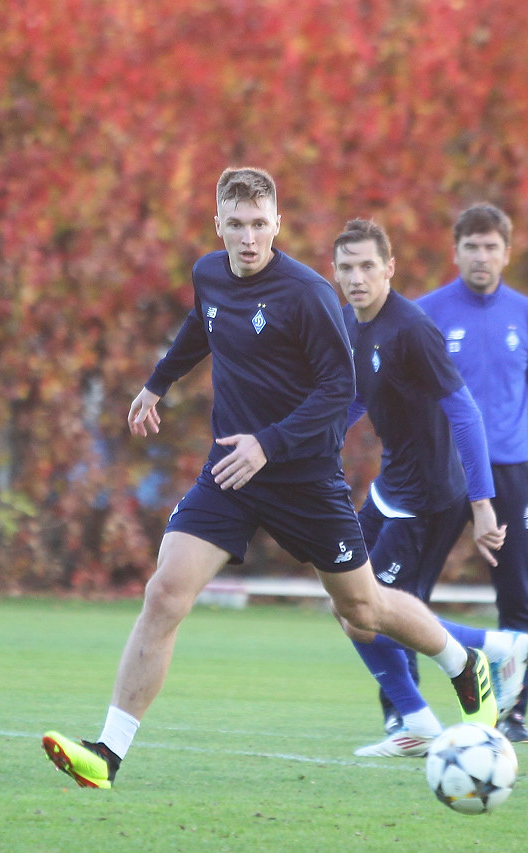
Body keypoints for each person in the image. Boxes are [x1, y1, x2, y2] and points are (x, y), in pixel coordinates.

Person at [41, 167, 498, 789]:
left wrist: (271, 443)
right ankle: (107, 755)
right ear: (218, 226)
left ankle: (461, 660)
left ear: (277, 224)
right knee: (165, 592)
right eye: (237, 225)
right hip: (231, 468)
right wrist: (157, 383)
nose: (249, 238)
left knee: (361, 611)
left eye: (260, 225)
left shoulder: (307, 295)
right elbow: (201, 326)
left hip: (304, 476)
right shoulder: (208, 274)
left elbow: (340, 390)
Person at [331, 219, 528, 758]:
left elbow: (465, 414)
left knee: (377, 611)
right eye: (346, 267)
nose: (357, 277)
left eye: (367, 266)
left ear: (389, 269)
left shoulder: (411, 328)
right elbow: (360, 398)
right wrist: (319, 441)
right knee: (348, 605)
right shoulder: (354, 324)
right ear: (335, 271)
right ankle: (426, 712)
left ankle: (492, 653)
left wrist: (483, 505)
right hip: (390, 487)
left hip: (429, 498)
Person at [416, 203, 528, 744]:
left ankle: (513, 713)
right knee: (403, 592)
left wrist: (502, 437)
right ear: (456, 252)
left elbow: (526, 385)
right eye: (471, 245)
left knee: (517, 592)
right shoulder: (428, 312)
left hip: (510, 471)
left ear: (507, 253)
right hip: (445, 472)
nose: (481, 256)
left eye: (492, 246)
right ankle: (405, 714)